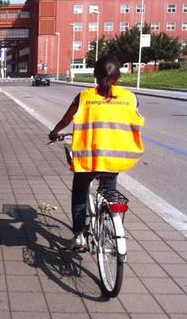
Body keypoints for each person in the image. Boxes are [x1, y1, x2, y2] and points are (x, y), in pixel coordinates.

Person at [49, 55, 144, 252]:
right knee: (109, 192)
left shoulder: (84, 97)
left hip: (88, 158)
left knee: (80, 191)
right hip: (116, 158)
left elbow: (67, 119)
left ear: (94, 74)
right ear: (118, 76)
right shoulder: (131, 98)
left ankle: (80, 235)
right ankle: (109, 224)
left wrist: (55, 132)